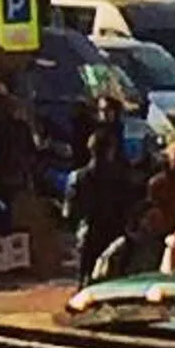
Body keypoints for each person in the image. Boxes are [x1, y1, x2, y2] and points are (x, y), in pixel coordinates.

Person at [65, 113, 136, 285]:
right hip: (115, 233)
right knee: (116, 280)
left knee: (86, 280)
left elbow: (69, 212)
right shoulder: (122, 176)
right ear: (111, 150)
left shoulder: (78, 177)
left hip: (89, 232)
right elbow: (130, 206)